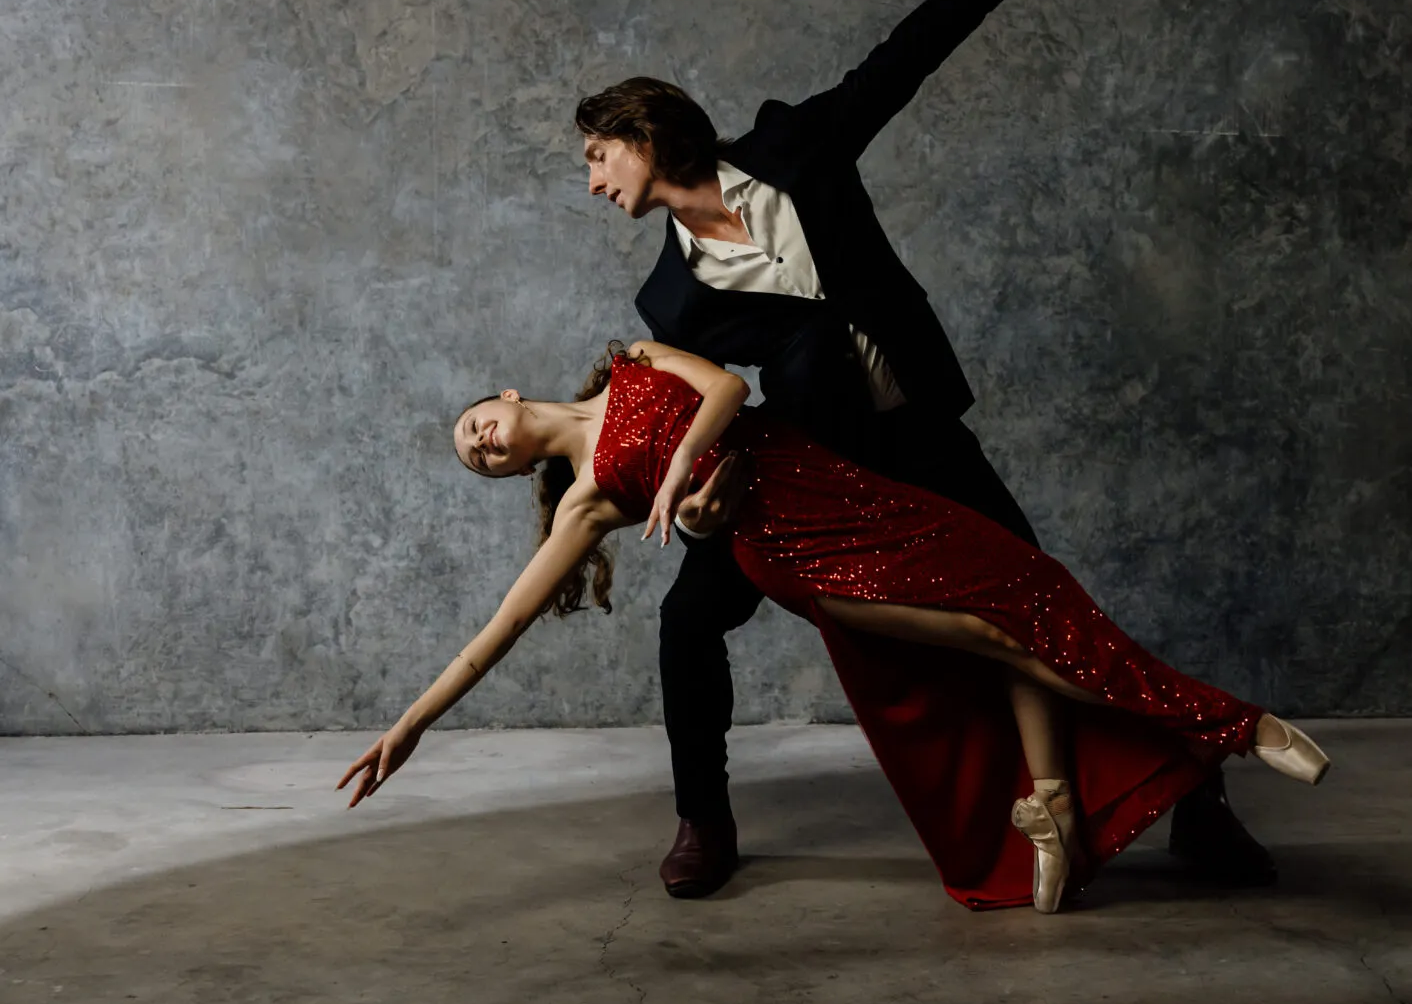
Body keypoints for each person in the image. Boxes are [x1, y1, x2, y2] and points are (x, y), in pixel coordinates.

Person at [571, 0, 1276, 899]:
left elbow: (901, 59)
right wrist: (699, 512)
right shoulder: (669, 301)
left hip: (914, 428)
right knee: (689, 619)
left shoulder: (796, 148)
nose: (593, 184)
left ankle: (1196, 802)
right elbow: (704, 414)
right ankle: (703, 820)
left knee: (1045, 601)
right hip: (812, 475)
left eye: (596, 156)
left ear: (641, 131)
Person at [338, 342, 1330, 914]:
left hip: (841, 488)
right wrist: (411, 724)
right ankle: (1225, 722)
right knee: (994, 638)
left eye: (476, 426)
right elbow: (500, 626)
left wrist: (677, 475)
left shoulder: (632, 359)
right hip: (799, 556)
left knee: (1022, 591)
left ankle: (1055, 808)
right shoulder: (585, 502)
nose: (482, 445)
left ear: (506, 398)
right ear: (515, 470)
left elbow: (728, 389)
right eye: (478, 459)